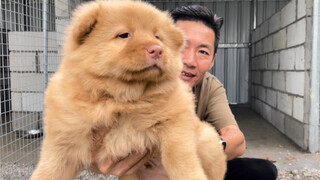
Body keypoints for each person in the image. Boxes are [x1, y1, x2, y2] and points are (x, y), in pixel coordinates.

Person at [90, 4, 278, 180]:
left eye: (203, 51)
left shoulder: (209, 86)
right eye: (181, 45)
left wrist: (190, 153)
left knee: (262, 171)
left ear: (213, 60)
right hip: (146, 173)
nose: (189, 60)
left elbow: (236, 141)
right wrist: (97, 158)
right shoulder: (130, 81)